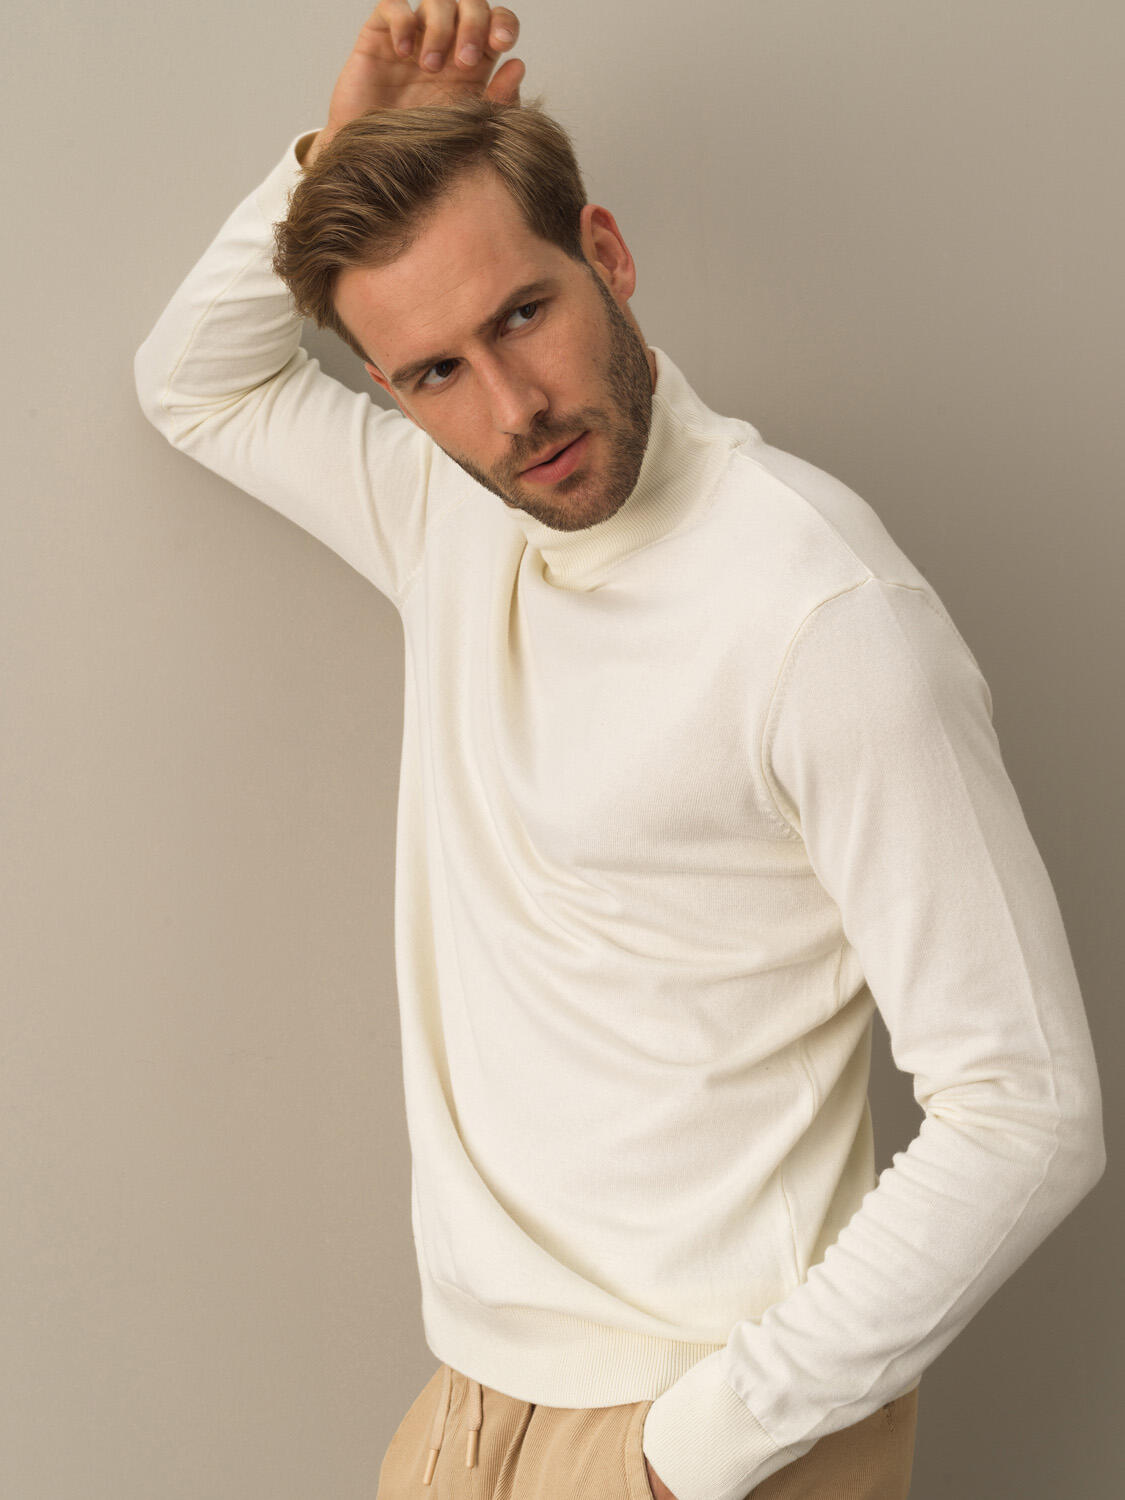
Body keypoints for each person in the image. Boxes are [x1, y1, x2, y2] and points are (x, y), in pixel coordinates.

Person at [133, 5, 1106, 1498]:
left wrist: (695, 1450)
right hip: (468, 1408)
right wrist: (333, 153)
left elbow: (1027, 1106)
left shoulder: (822, 616)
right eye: (433, 373)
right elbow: (195, 382)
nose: (514, 411)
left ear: (607, 253)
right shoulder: (450, 509)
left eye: (523, 314)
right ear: (394, 394)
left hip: (709, 1426)